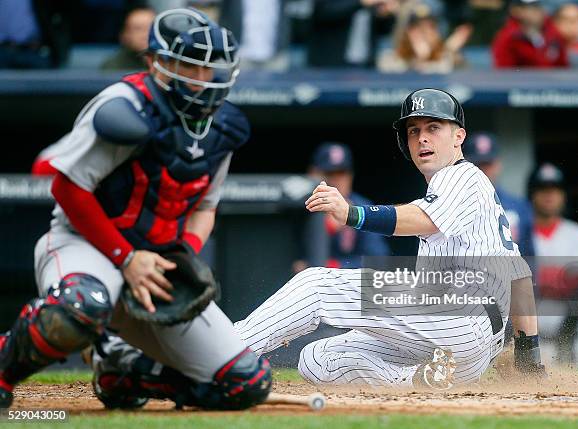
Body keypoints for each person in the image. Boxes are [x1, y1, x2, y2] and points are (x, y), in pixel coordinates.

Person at [0, 8, 271, 409]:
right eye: (187, 65)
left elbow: (204, 208)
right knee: (80, 306)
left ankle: (122, 372)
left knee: (244, 383)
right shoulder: (124, 104)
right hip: (86, 245)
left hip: (154, 263)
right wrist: (126, 257)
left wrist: (182, 257)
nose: (200, 79)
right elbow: (67, 186)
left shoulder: (223, 124)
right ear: (155, 62)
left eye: (207, 68)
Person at [234, 88, 545, 388]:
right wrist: (529, 358)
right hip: (461, 352)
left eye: (434, 127)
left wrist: (351, 214)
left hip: (462, 314)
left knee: (316, 286)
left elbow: (423, 219)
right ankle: (416, 381)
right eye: (413, 130)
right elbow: (519, 275)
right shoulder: (474, 193)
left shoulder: (462, 175)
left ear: (459, 136)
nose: (422, 137)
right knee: (318, 358)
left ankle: (226, 352)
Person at [529, 163, 578, 362]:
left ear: (564, 195)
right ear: (532, 194)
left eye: (555, 189)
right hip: (526, 330)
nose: (549, 195)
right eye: (542, 189)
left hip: (568, 329)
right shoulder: (517, 232)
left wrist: (535, 278)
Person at [293, 142, 390, 273]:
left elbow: (379, 260)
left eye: (341, 173)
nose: (336, 180)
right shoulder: (298, 207)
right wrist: (326, 228)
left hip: (345, 286)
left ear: (350, 175)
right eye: (329, 173)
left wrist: (336, 266)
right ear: (313, 174)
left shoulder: (363, 207)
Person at [463, 132, 535, 258]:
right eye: (478, 164)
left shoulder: (518, 206)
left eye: (488, 164)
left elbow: (528, 254)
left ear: (498, 164)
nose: (483, 170)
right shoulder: (453, 204)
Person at [377, 1, 472, 73]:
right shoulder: (389, 58)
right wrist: (419, 61)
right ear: (408, 32)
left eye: (431, 28)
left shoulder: (451, 58)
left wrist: (447, 51)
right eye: (418, 28)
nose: (425, 34)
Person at [307, 0, 399, 68]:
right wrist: (360, 3)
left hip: (365, 64)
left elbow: (383, 30)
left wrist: (387, 14)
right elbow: (323, 13)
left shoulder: (372, 4)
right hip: (328, 64)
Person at [491, 0, 569, 68]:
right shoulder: (508, 38)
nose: (538, 12)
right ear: (516, 10)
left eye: (539, 7)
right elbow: (504, 73)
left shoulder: (554, 34)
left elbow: (563, 66)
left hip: (553, 84)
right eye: (532, 7)